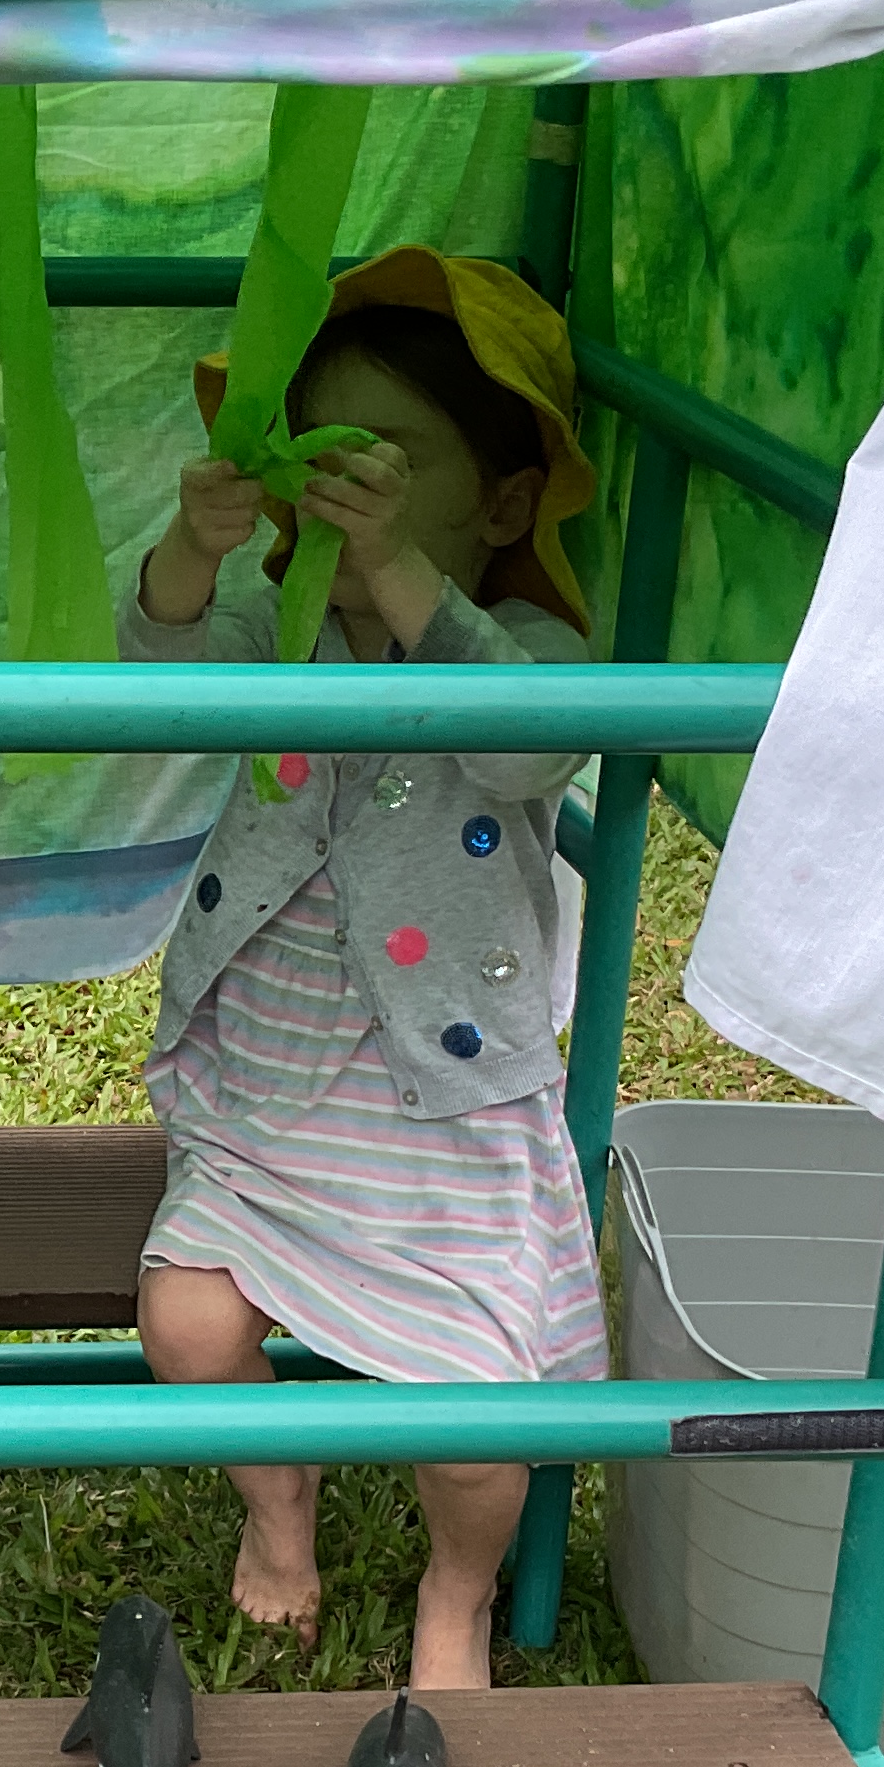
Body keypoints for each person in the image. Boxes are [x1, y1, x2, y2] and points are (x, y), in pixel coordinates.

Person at [123, 250, 608, 1691]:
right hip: (266, 1085)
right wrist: (194, 552)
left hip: (437, 1108)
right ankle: (281, 1508)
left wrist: (401, 571)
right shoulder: (280, 626)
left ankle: (455, 1599)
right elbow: (150, 673)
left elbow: (533, 745)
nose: (341, 494)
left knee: (475, 1424)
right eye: (316, 457)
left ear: (508, 501)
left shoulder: (520, 641)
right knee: (188, 1321)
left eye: (388, 467)